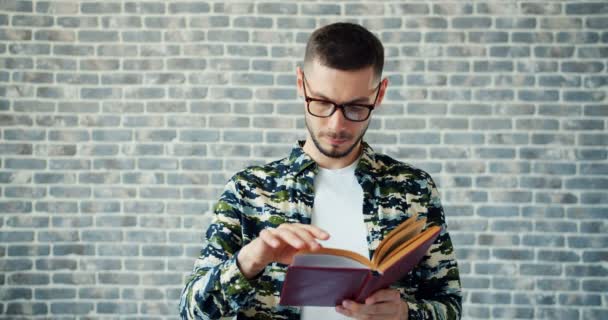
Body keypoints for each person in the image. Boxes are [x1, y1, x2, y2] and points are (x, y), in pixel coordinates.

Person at [179, 22, 462, 320]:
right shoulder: (248, 190)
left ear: (379, 94)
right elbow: (191, 311)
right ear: (301, 84)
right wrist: (251, 258)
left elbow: (450, 305)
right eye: (322, 102)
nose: (336, 125)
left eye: (356, 108)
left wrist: (406, 313)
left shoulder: (413, 188)